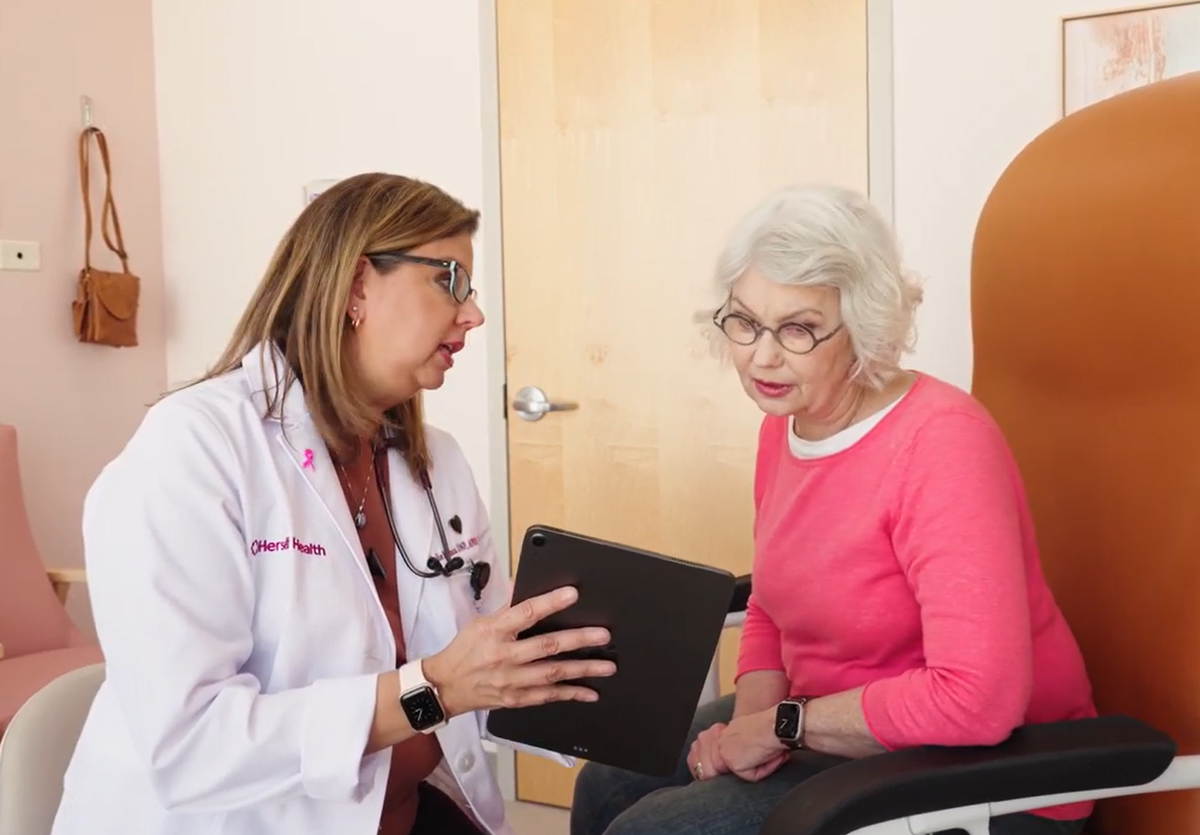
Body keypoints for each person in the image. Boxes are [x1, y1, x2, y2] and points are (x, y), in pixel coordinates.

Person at [51, 173, 616, 835]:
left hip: (408, 810)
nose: (474, 313)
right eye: (449, 279)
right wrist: (430, 688)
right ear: (354, 286)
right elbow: (192, 746)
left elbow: (482, 667)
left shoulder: (433, 460)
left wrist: (577, 660)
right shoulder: (193, 448)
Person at [569, 184, 1098, 835]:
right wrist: (751, 724)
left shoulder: (941, 442)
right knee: (607, 782)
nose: (762, 355)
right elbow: (772, 601)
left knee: (658, 830)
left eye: (798, 328)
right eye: (744, 321)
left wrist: (784, 726)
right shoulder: (787, 423)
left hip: (992, 769)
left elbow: (977, 701)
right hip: (837, 728)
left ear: (865, 323)